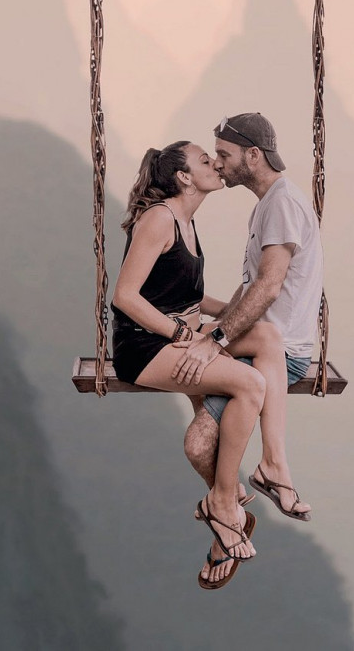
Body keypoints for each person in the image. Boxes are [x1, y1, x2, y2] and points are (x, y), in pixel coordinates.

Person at [111, 140, 285, 588]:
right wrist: (181, 336)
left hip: (181, 337)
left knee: (264, 336)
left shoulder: (187, 221)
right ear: (184, 177)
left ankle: (256, 478)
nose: (215, 164)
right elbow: (125, 296)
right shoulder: (160, 218)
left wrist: (232, 311)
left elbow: (183, 294)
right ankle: (224, 504)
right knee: (249, 384)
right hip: (145, 348)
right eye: (205, 160)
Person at [182, 113, 322, 581]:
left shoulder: (281, 204)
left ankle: (227, 512)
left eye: (224, 154)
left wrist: (218, 338)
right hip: (254, 343)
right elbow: (248, 290)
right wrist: (212, 320)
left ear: (253, 155)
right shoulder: (268, 205)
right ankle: (232, 508)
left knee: (200, 443)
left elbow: (269, 286)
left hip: (277, 353)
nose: (218, 163)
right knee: (183, 351)